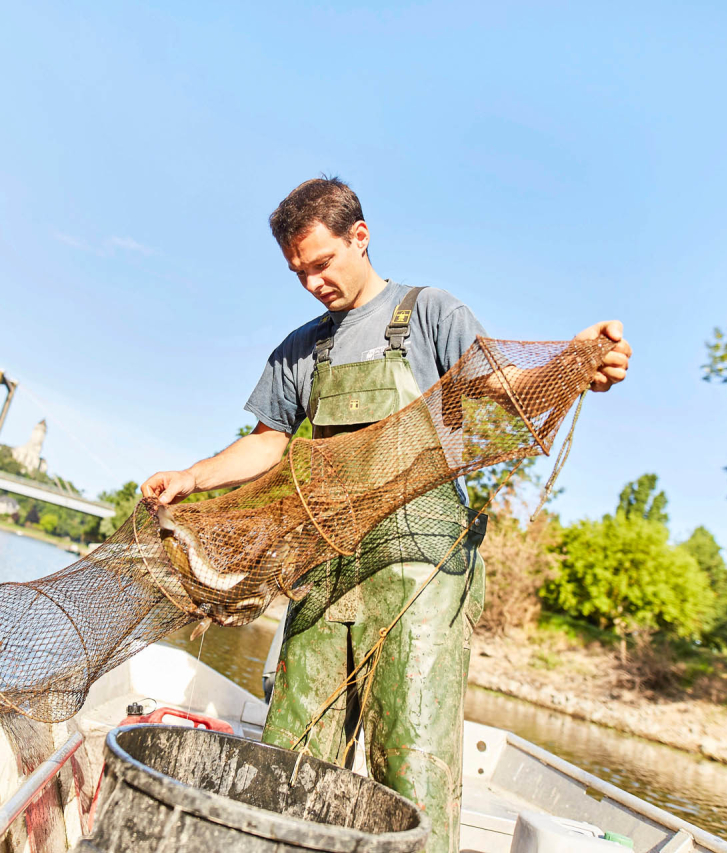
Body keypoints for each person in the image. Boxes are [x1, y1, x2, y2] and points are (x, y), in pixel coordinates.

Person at [141, 177, 631, 852]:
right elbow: (269, 440)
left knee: (413, 760)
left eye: (321, 264)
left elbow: (504, 389)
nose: (312, 282)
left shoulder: (428, 313)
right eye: (298, 272)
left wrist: (575, 364)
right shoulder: (299, 349)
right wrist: (192, 476)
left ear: (359, 237)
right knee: (291, 753)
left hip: (420, 570)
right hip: (327, 570)